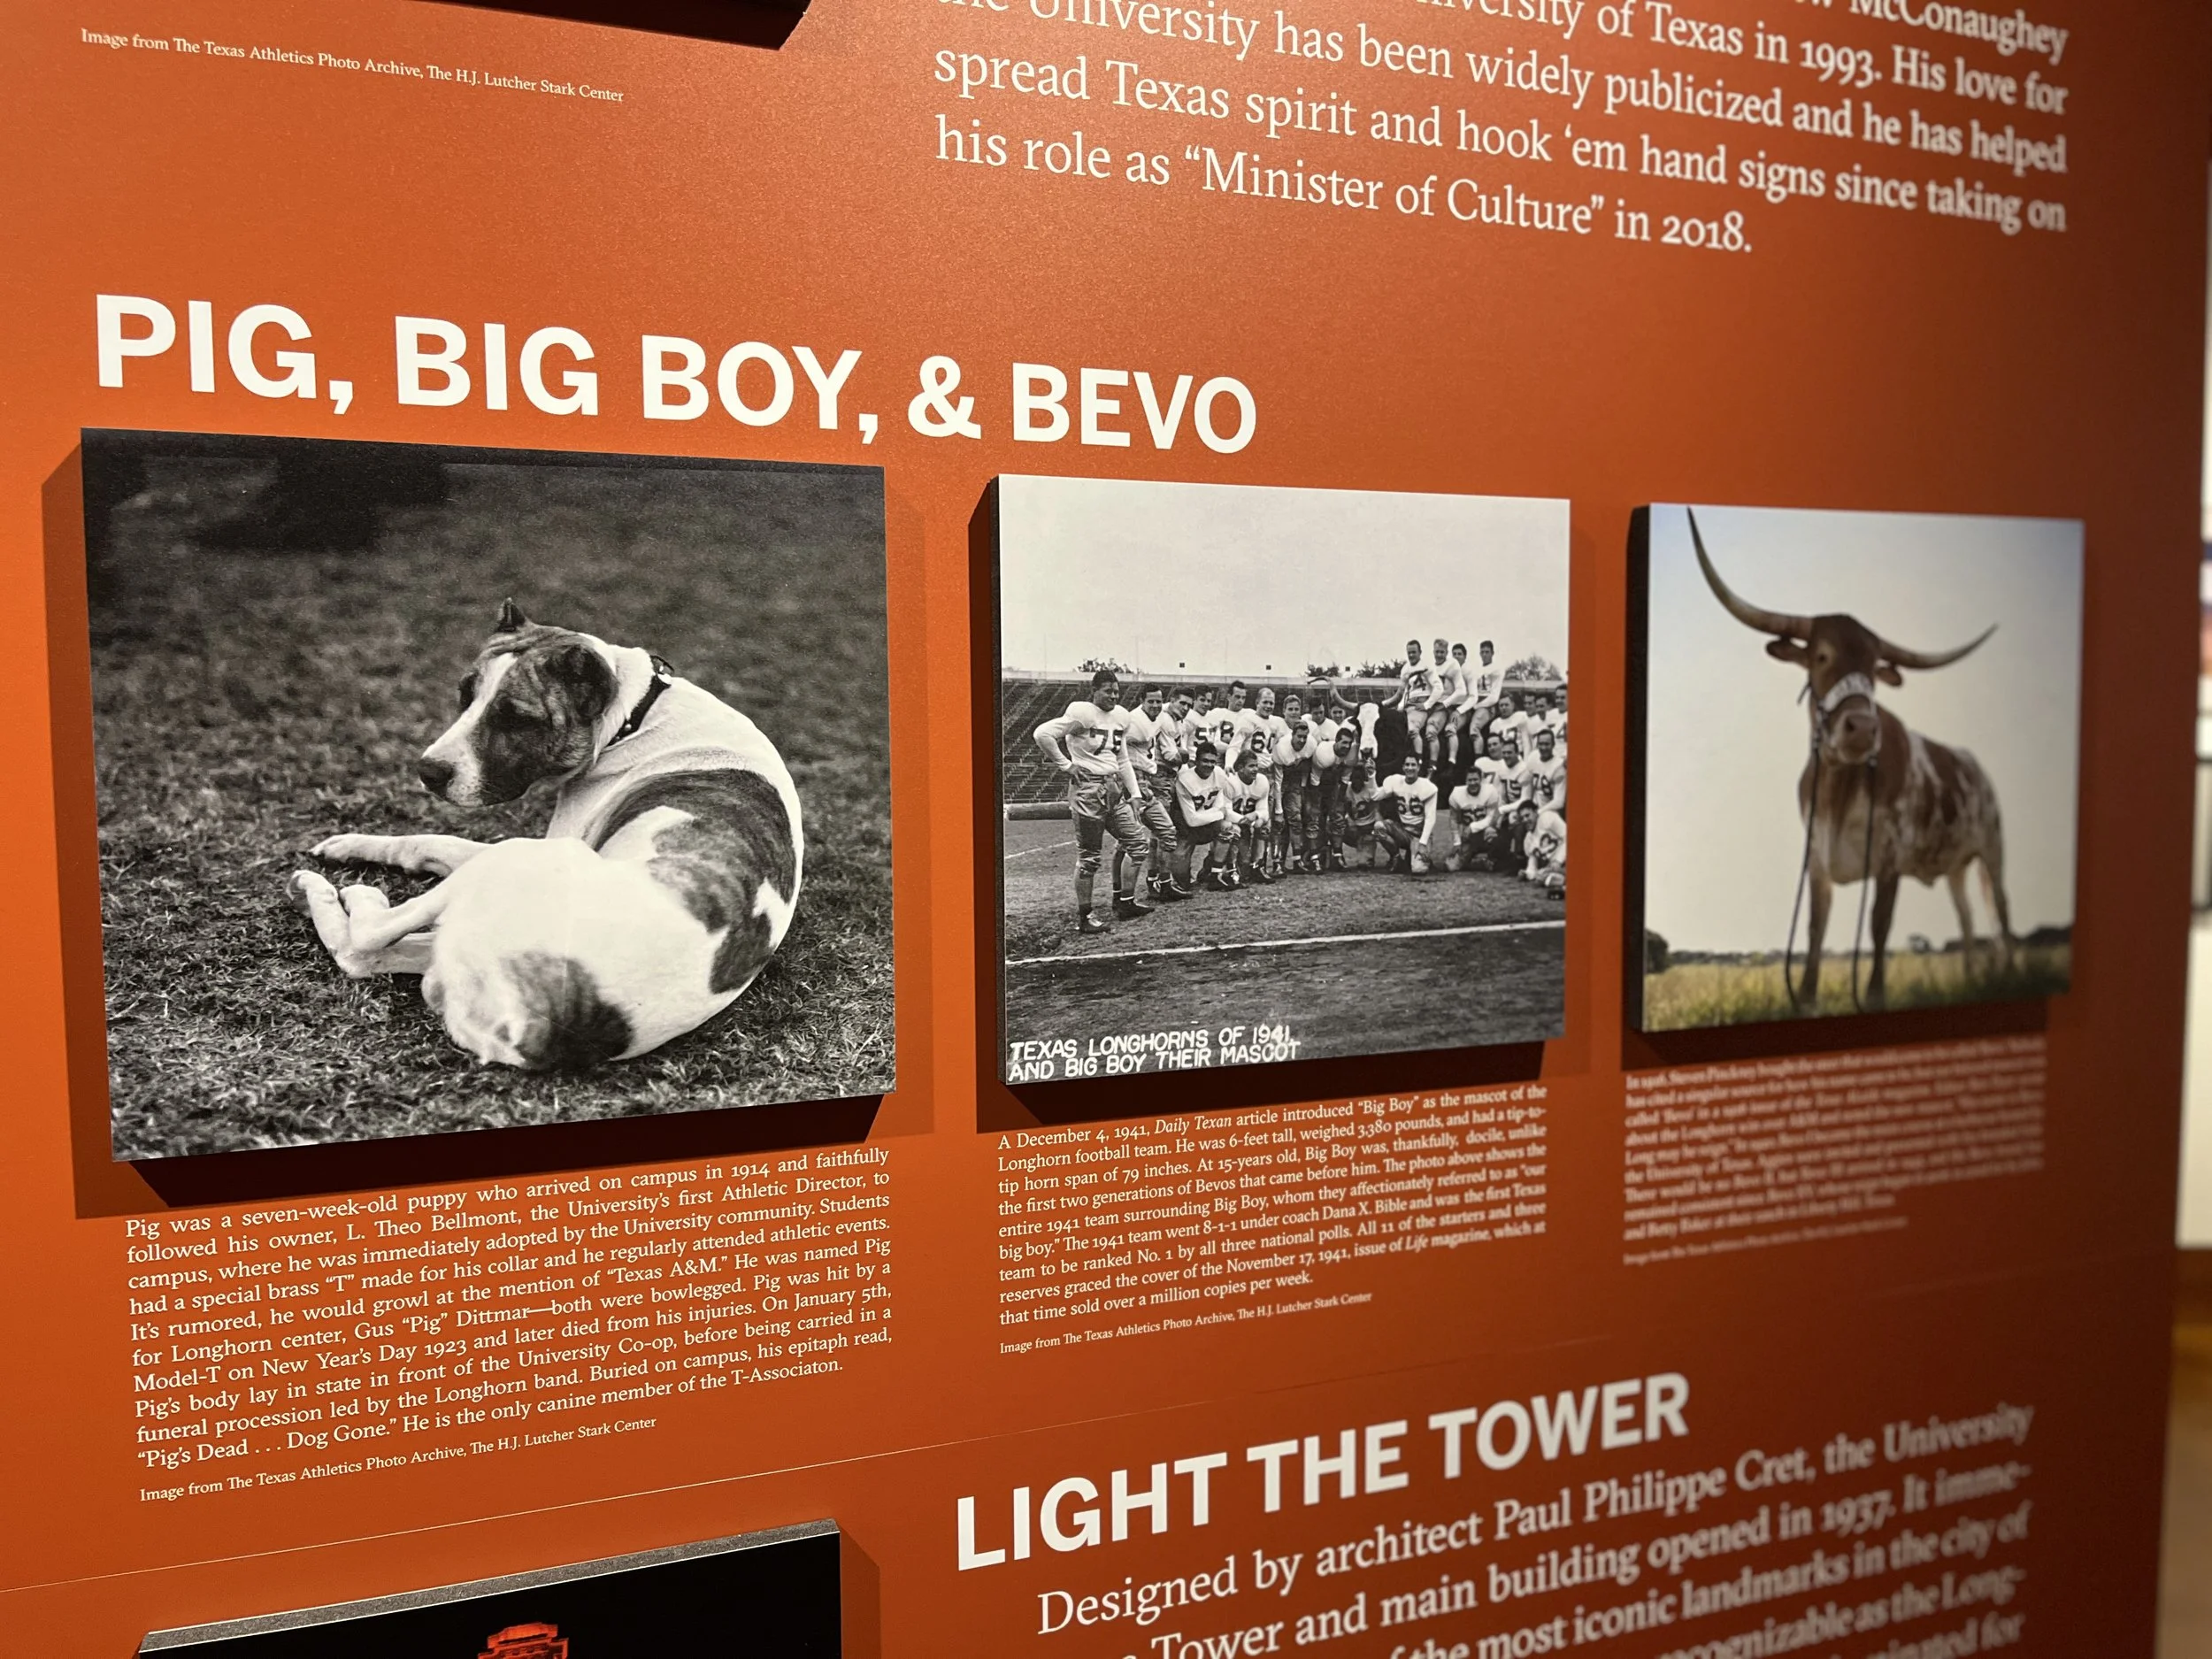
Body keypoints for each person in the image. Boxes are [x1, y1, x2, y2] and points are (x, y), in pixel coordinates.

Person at [1033, 669, 1151, 933]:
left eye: (1117, 691)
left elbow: (1122, 759)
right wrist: (1066, 765)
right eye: (1108, 691)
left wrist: (1134, 794)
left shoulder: (1121, 716)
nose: (1114, 696)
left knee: (1137, 844)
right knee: (1089, 858)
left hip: (1113, 787)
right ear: (1094, 691)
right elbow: (1042, 734)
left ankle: (1125, 902)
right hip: (1088, 789)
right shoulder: (1083, 713)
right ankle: (1085, 916)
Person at [1119, 686, 1194, 902]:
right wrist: (1184, 755)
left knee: (1158, 833)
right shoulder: (1138, 721)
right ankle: (1155, 884)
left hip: (1150, 775)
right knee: (1156, 834)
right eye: (1182, 703)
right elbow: (1171, 755)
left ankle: (1156, 882)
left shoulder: (1163, 717)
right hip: (1147, 776)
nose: (1185, 708)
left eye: (1158, 702)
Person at [1173, 741, 1233, 890]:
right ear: (1196, 762)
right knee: (1183, 883)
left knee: (1229, 828)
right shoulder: (1185, 779)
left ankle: (1213, 872)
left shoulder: (1219, 773)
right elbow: (1191, 820)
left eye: (1213, 761)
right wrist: (1218, 813)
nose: (1209, 765)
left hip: (1206, 824)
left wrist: (1215, 814)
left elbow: (1220, 805)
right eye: (1205, 761)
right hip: (1185, 829)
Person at [1374, 753, 1440, 874]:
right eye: (1407, 765)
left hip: (1419, 834)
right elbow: (1375, 796)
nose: (1410, 768)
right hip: (1403, 831)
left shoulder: (1427, 786)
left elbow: (1430, 818)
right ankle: (1397, 859)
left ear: (1418, 767)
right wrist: (1371, 775)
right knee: (1379, 827)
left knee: (1418, 870)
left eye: (1413, 765)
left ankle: (1417, 856)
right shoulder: (1396, 781)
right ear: (1403, 767)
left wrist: (1423, 843)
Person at [1447, 767, 1507, 872]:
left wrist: (1472, 827)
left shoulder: (1490, 791)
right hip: (1469, 837)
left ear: (1481, 780)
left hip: (1485, 833)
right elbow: (1454, 820)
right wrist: (1457, 842)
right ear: (1465, 781)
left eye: (1475, 779)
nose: (1473, 783)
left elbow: (1491, 818)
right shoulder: (1456, 794)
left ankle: (1491, 857)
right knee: (1451, 867)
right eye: (1470, 780)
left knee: (1492, 835)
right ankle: (1478, 860)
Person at [1228, 749, 1274, 885]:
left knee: (1264, 825)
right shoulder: (1230, 781)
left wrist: (1256, 815)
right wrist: (1244, 820)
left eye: (1256, 765)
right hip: (1233, 823)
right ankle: (1219, 866)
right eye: (1251, 766)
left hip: (1248, 822)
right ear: (1240, 768)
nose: (1255, 769)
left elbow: (1264, 810)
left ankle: (1258, 865)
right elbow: (1225, 812)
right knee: (1231, 830)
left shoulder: (1262, 781)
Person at [1524, 806, 1566, 899]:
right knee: (1545, 878)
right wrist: (1528, 873)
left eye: (1527, 815)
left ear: (1535, 812)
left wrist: (1558, 860)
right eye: (1522, 818)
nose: (1525, 820)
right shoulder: (1528, 840)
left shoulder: (1547, 818)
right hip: (1555, 867)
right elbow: (1532, 862)